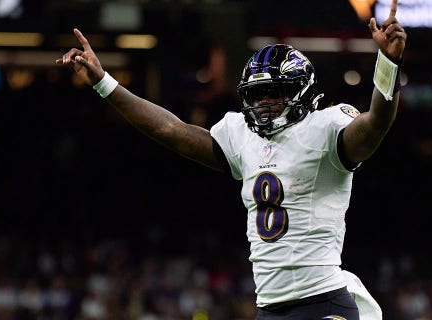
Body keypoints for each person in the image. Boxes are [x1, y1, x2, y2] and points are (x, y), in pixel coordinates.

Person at [57, 0, 405, 318]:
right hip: (268, 308)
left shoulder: (326, 127)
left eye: (274, 94)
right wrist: (104, 83)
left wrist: (387, 63)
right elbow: (171, 130)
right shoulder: (241, 135)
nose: (264, 104)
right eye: (257, 96)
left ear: (301, 92)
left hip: (323, 300)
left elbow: (375, 124)